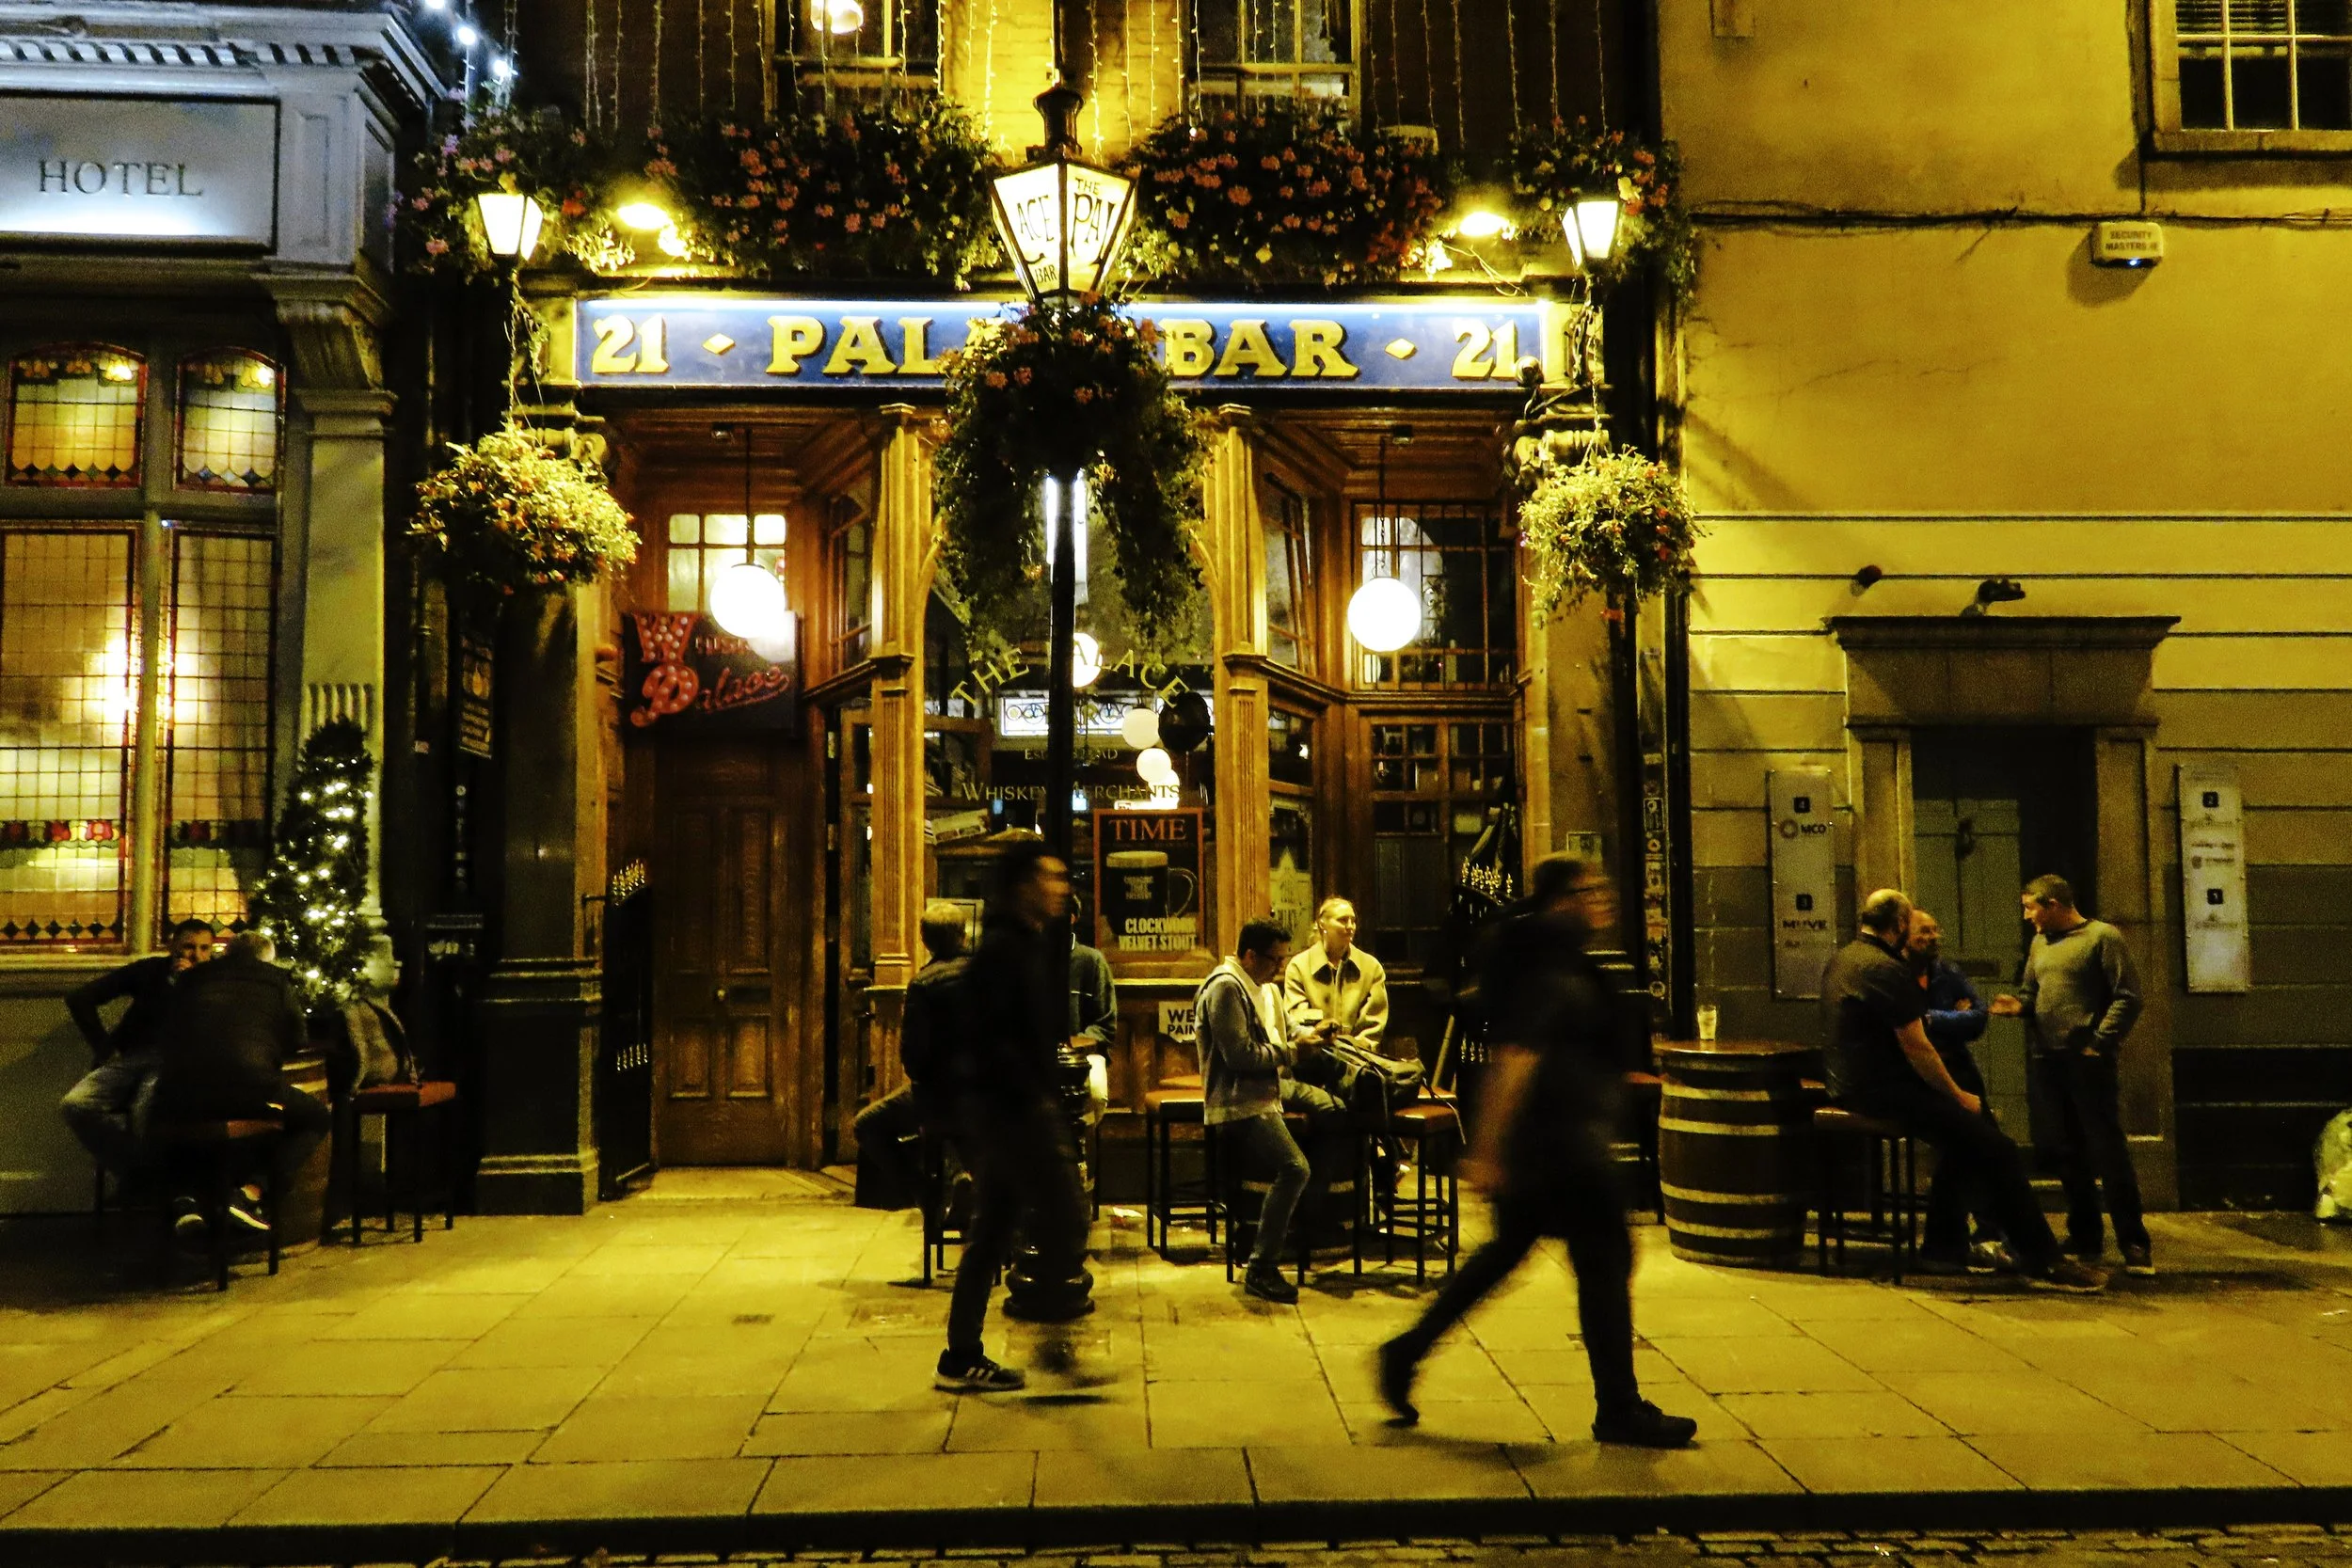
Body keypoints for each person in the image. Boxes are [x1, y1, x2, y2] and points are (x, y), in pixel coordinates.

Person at [1376, 858, 1695, 1448]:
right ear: (1558, 899)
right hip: (1556, 1147)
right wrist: (1488, 1150)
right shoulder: (1545, 967)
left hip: (1557, 1141)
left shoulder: (1558, 957)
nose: (1602, 899)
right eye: (1589, 890)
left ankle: (1406, 1352)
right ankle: (1619, 1408)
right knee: (1603, 1262)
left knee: (1507, 1257)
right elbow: (1515, 1060)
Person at [1823, 890, 2106, 1293]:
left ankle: (1942, 1248)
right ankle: (2045, 1260)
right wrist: (1959, 1097)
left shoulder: (1847, 957)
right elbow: (1919, 1048)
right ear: (1899, 925)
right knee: (1997, 1147)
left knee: (1964, 1146)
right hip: (1883, 1091)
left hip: (1854, 1084)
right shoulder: (1886, 969)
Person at [933, 842, 1098, 1392]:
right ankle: (1051, 1339)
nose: (1063, 887)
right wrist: (1032, 1100)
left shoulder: (1025, 942)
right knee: (1067, 1212)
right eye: (1052, 877)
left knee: (993, 1232)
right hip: (1016, 1112)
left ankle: (961, 1355)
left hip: (1008, 1109)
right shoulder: (1006, 950)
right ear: (1025, 884)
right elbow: (997, 1038)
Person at [1989, 875, 2153, 1275]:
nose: (2027, 916)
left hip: (2086, 1059)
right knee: (2064, 1149)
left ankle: (2133, 1241)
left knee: (2106, 1150)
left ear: (2055, 904)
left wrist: (2100, 1040)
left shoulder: (2102, 937)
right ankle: (2085, 1234)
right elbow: (2032, 991)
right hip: (2048, 1059)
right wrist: (2020, 1007)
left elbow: (2129, 995)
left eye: (2031, 907)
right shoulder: (2040, 943)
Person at [144, 931, 332, 1241]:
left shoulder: (194, 977)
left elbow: (169, 1029)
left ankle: (184, 1201)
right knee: (316, 1117)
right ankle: (250, 1193)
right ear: (266, 958)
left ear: (226, 952)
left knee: (166, 1118)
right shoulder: (276, 980)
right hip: (250, 1088)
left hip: (181, 1091)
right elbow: (297, 1039)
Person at [1197, 916, 1337, 1304]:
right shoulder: (1226, 989)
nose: (1280, 967)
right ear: (1249, 955)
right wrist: (1294, 1051)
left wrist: (1314, 1032)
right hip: (1237, 1102)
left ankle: (1319, 1222)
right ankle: (1261, 1266)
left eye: (1283, 959)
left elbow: (1289, 1028)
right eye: (1274, 960)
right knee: (1295, 1167)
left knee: (1337, 1108)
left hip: (1268, 1092)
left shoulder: (1267, 990)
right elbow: (1239, 1057)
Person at [60, 919, 215, 1189]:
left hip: (174, 1063)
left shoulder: (214, 981)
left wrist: (189, 984)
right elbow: (80, 997)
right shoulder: (150, 971)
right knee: (75, 1104)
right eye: (189, 947)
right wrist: (104, 1046)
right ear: (173, 947)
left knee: (145, 1109)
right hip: (131, 1058)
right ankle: (136, 1172)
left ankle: (150, 1185)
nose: (197, 956)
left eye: (205, 949)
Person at [1905, 910, 2010, 1272]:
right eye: (1924, 931)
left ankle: (1990, 1233)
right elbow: (1909, 1031)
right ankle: (1956, 1242)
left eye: (1936, 930)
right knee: (1966, 1146)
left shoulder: (1947, 972)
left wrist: (1934, 1019)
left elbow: (1978, 1017)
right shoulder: (1896, 975)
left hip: (1960, 1067)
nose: (1932, 937)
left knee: (1987, 1144)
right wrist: (1947, 1016)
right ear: (1904, 934)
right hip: (1925, 1072)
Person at [853, 902, 970, 1211]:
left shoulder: (923, 984)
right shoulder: (991, 975)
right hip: (988, 1095)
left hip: (939, 1096)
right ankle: (963, 1182)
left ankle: (925, 1194)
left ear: (925, 941)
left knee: (866, 1124)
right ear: (964, 934)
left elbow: (913, 1056)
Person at [1282, 896, 1390, 1056]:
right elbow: (1296, 1020)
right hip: (1313, 1059)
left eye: (1353, 921)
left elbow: (1373, 1025)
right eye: (1342, 920)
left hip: (1359, 1060)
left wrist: (1350, 1052)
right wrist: (1321, 1041)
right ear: (1322, 924)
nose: (1350, 926)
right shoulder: (1299, 967)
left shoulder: (1371, 967)